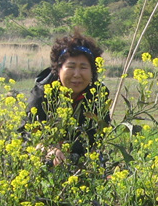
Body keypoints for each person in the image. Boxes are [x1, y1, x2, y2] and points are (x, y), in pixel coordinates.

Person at [24, 33, 110, 165]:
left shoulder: (98, 95)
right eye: (70, 66)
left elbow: (97, 135)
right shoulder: (42, 94)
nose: (77, 74)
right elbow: (26, 131)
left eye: (83, 67)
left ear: (93, 71)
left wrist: (67, 147)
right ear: (58, 69)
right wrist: (46, 146)